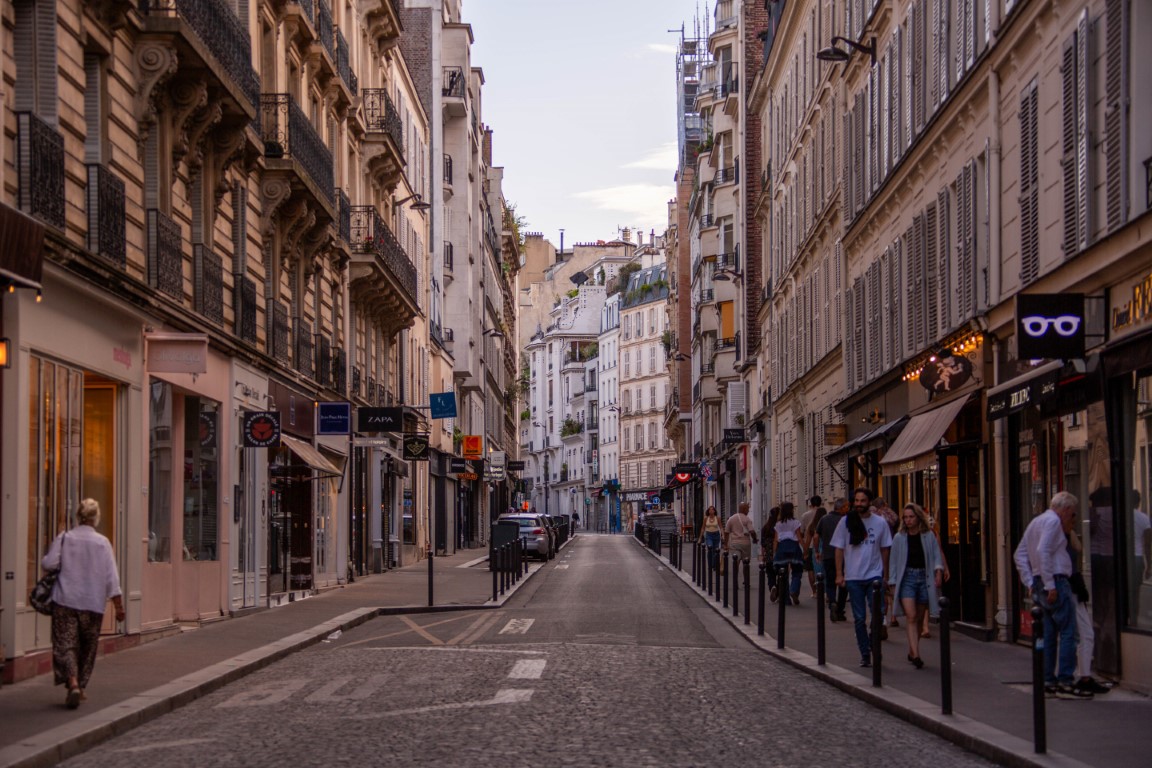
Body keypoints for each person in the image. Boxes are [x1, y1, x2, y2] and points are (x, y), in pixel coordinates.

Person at [41, 498, 125, 710]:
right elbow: (111, 577)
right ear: (96, 518)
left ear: (78, 517)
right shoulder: (103, 543)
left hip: (66, 601)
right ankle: (82, 686)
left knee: (65, 645)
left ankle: (73, 682)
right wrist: (119, 606)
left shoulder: (65, 538)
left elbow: (48, 564)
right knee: (87, 647)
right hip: (93, 603)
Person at [1013, 491, 1093, 699]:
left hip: (1041, 582)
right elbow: (1043, 551)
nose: (1072, 518)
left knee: (1049, 634)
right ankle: (1065, 680)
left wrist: (1031, 581)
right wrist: (1050, 585)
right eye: (1072, 513)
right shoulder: (1053, 522)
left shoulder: (1036, 522)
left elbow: (1020, 554)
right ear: (1065, 509)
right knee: (1069, 633)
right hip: (1055, 581)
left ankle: (1048, 679)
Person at [832, 487, 892, 667]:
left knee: (877, 613)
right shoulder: (845, 522)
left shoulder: (880, 523)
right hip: (853, 576)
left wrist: (886, 575)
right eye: (856, 501)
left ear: (869, 503)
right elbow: (839, 548)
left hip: (874, 575)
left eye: (862, 501)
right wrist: (839, 574)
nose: (858, 504)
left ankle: (874, 643)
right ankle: (865, 652)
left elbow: (885, 550)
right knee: (859, 618)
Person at [889, 503, 945, 669]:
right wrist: (892, 582)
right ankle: (916, 654)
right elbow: (894, 561)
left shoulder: (928, 536)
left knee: (920, 617)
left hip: (924, 578)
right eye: (905, 517)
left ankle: (912, 649)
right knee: (911, 616)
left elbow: (936, 556)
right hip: (907, 578)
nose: (908, 520)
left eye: (911, 517)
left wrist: (939, 571)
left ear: (918, 517)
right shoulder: (899, 537)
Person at [1067, 524, 1112, 695]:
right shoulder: (1061, 535)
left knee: (1068, 634)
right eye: (1072, 516)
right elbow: (1077, 550)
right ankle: (1082, 676)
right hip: (1070, 586)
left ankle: (1066, 676)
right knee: (1083, 634)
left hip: (1064, 586)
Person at [817, 498, 849, 621]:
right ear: (842, 508)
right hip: (844, 556)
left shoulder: (824, 519)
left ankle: (832, 603)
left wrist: (817, 551)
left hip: (828, 555)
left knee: (830, 582)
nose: (849, 509)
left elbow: (816, 536)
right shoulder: (845, 520)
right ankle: (840, 609)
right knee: (843, 584)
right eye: (847, 507)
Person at [873, 497, 900, 630]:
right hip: (892, 550)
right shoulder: (890, 514)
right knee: (891, 583)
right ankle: (893, 616)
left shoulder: (875, 516)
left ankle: (883, 616)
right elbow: (896, 521)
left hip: (878, 554)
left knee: (882, 586)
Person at [773, 502, 805, 605]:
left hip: (782, 548)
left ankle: (786, 599)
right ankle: (794, 589)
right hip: (793, 547)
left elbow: (776, 540)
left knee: (783, 575)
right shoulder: (795, 522)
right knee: (797, 571)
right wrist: (805, 549)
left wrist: (775, 552)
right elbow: (799, 537)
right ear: (791, 510)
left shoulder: (778, 524)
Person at [800, 496, 822, 598]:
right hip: (822, 546)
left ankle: (814, 591)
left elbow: (802, 532)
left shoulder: (805, 515)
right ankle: (823, 589)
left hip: (810, 545)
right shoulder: (824, 514)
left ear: (810, 503)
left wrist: (804, 550)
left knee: (810, 569)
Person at [700, 506, 722, 571]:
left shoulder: (717, 518)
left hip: (716, 535)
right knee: (710, 548)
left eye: (712, 510)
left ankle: (715, 565)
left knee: (716, 550)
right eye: (710, 510)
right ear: (708, 511)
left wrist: (723, 535)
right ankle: (710, 565)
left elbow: (721, 527)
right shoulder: (706, 518)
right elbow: (703, 528)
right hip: (709, 535)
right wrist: (700, 538)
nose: (711, 511)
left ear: (714, 511)